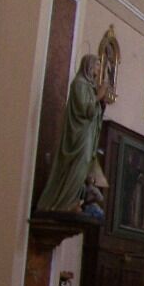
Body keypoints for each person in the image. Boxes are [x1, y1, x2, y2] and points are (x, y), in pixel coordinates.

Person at [36, 54, 107, 213]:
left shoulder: (89, 86)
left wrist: (101, 103)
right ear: (88, 65)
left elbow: (94, 113)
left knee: (82, 168)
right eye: (96, 65)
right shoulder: (79, 84)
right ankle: (63, 202)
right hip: (79, 136)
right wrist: (98, 96)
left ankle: (72, 200)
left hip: (86, 135)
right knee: (77, 166)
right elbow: (84, 109)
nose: (98, 69)